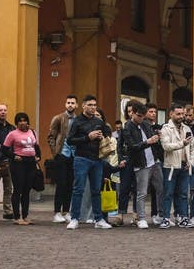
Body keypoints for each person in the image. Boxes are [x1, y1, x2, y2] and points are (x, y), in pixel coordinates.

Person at [65, 96, 112, 230]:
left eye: (95, 105)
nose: (93, 107)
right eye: (90, 105)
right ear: (83, 106)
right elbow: (70, 140)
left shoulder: (99, 121)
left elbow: (108, 132)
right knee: (78, 189)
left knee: (96, 190)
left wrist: (103, 136)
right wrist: (88, 137)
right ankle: (75, 218)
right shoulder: (77, 121)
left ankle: (99, 219)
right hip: (81, 158)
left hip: (97, 159)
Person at [119, 101, 161, 230]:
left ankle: (161, 215)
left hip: (154, 161)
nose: (141, 118)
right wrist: (147, 142)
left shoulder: (146, 124)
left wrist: (156, 138)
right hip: (141, 164)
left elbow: (152, 140)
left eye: (143, 115)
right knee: (141, 192)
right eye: (139, 115)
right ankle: (141, 218)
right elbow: (132, 147)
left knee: (161, 189)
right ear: (132, 113)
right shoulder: (127, 127)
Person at [160, 103, 194, 227]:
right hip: (170, 166)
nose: (181, 116)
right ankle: (165, 218)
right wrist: (182, 143)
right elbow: (166, 146)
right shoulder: (165, 128)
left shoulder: (187, 128)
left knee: (183, 194)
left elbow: (193, 148)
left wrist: (191, 162)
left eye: (182, 114)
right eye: (178, 114)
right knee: (168, 193)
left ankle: (183, 218)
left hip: (184, 166)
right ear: (171, 114)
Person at [47, 95, 78, 224]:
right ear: (65, 104)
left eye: (73, 103)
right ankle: (56, 212)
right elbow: (51, 137)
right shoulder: (58, 118)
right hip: (62, 154)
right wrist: (55, 153)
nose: (70, 105)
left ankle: (66, 211)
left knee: (70, 184)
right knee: (61, 184)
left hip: (74, 155)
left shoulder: (78, 119)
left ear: (76, 105)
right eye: (68, 102)